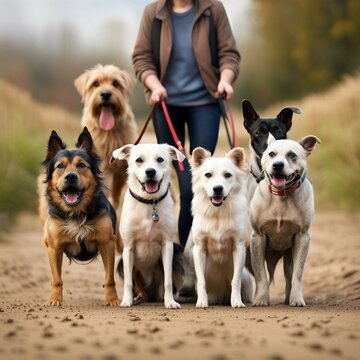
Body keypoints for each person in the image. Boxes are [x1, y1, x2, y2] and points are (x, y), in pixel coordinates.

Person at [132, 0, 240, 246]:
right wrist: (155, 85)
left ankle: (192, 257)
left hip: (206, 104)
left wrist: (225, 80)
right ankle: (172, 253)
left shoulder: (214, 10)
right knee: (173, 183)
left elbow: (229, 54)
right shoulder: (153, 13)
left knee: (196, 184)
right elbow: (141, 58)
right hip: (166, 105)